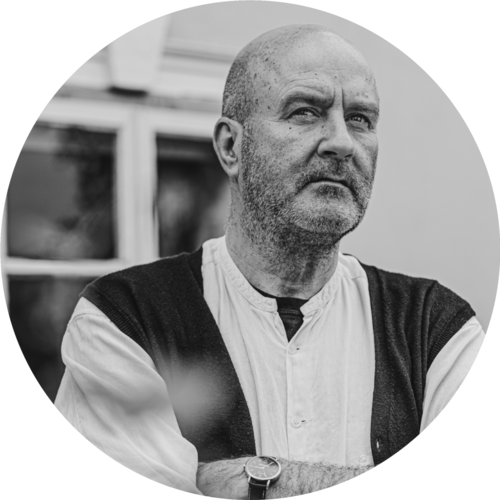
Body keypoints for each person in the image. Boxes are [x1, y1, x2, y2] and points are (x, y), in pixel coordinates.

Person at [54, 24, 485, 498]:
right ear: (231, 147)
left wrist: (239, 480)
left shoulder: (436, 330)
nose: (342, 142)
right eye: (305, 112)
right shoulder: (123, 317)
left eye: (360, 118)